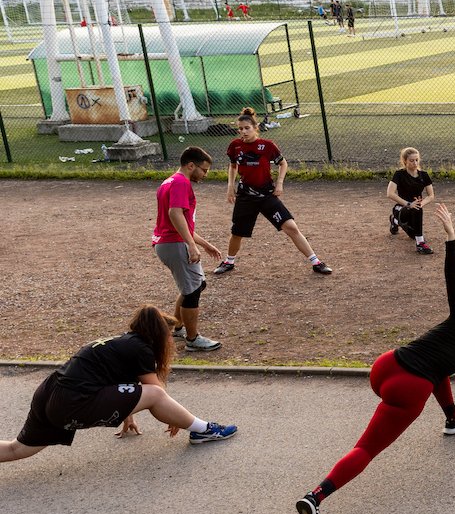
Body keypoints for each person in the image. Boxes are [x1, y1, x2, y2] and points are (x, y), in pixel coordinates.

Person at [295, 204, 455, 514]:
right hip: (406, 391)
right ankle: (315, 497)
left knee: (438, 367)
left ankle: (453, 418)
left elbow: (452, 276)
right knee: (365, 449)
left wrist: (451, 236)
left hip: (385, 367)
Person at [0, 305, 238, 464]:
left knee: (16, 449)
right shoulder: (142, 349)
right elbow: (156, 393)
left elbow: (117, 383)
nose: (171, 339)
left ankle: (198, 429)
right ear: (158, 333)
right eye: (170, 334)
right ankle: (204, 430)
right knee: (155, 393)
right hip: (73, 400)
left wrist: (129, 413)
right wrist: (178, 419)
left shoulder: (122, 343)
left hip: (51, 392)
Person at [214, 108, 332, 276]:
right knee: (237, 233)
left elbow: (283, 163)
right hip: (246, 196)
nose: (243, 132)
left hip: (267, 195)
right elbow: (233, 166)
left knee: (291, 227)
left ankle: (316, 262)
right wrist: (230, 187)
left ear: (256, 127)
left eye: (247, 128)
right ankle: (229, 262)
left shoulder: (268, 146)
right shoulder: (235, 146)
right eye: (240, 129)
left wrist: (280, 183)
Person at [154, 147, 224, 352]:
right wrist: (191, 246)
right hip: (175, 244)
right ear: (191, 165)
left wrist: (204, 244)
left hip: (168, 242)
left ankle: (177, 326)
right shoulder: (181, 183)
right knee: (192, 291)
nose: (205, 175)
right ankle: (192, 340)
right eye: (204, 170)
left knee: (196, 285)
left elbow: (179, 222)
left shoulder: (169, 181)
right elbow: (175, 214)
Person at [387, 147, 434, 255]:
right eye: (411, 160)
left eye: (417, 160)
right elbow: (390, 193)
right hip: (401, 208)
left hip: (415, 209)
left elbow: (431, 196)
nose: (415, 163)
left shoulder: (424, 175)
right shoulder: (399, 174)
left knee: (413, 234)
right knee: (416, 207)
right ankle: (420, 244)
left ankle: (395, 221)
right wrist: (409, 204)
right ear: (405, 161)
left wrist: (421, 203)